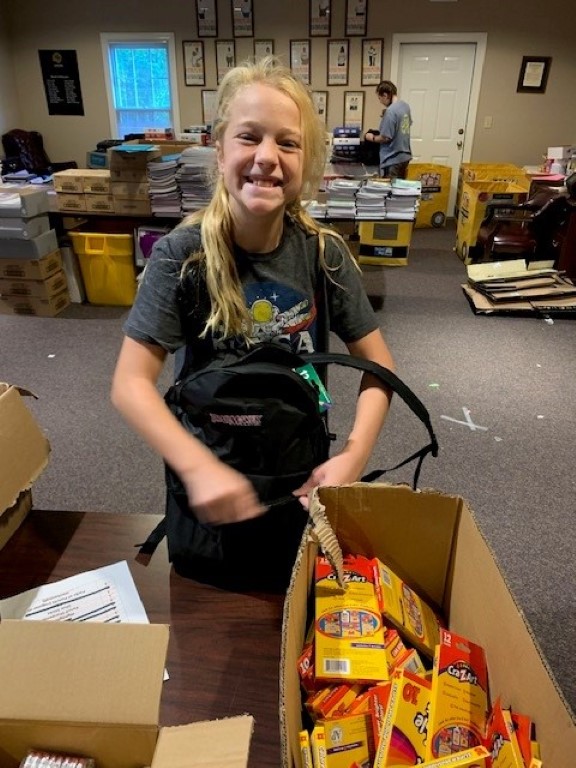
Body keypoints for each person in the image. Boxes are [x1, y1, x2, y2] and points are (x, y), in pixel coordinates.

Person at [111, 56, 395, 591]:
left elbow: (380, 368)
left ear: (305, 160)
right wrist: (196, 468)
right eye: (249, 137)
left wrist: (354, 457)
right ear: (219, 152)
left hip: (300, 477)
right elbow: (130, 385)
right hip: (210, 486)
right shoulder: (181, 256)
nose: (267, 157)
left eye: (287, 143)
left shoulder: (323, 255)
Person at [365, 80, 412, 180]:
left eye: (380, 98)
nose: (380, 101)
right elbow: (406, 124)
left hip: (392, 159)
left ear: (385, 95)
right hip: (405, 156)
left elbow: (385, 137)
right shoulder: (405, 106)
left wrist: (372, 137)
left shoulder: (390, 112)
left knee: (390, 192)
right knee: (400, 189)